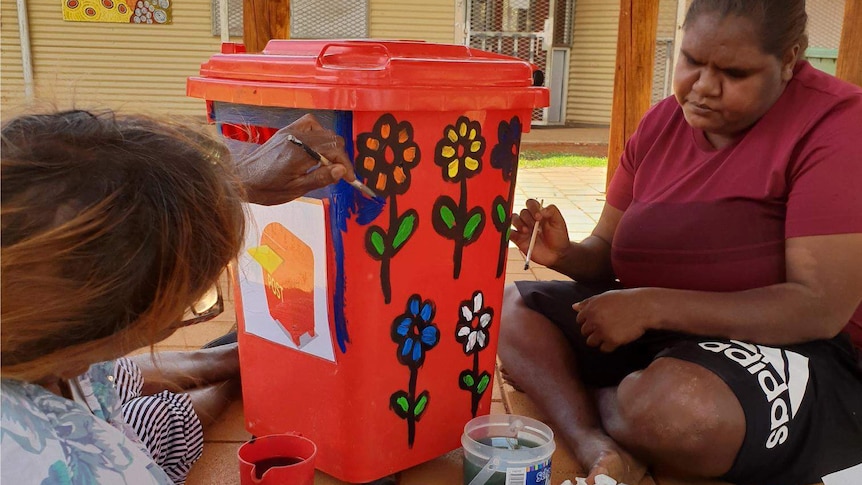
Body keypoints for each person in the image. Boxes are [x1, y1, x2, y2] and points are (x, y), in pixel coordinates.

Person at [499, 1, 862, 484]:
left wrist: (650, 306)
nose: (704, 87)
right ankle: (596, 442)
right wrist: (564, 256)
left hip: (794, 347)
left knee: (680, 411)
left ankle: (600, 398)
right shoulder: (661, 124)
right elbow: (605, 252)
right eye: (692, 61)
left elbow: (819, 308)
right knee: (510, 310)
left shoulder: (836, 125)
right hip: (659, 336)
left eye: (734, 72)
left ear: (790, 59)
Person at [0, 109, 355, 484]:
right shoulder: (67, 468)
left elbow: (113, 378)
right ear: (93, 336)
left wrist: (245, 362)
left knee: (147, 404)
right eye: (190, 305)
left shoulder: (39, 336)